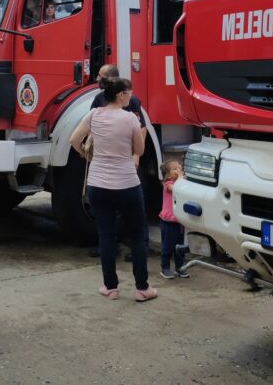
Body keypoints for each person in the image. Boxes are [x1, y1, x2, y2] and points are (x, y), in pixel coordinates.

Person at [71, 77, 156, 302]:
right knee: (137, 235)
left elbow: (74, 139)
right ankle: (142, 288)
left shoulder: (94, 114)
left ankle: (110, 287)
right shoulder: (129, 119)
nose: (131, 96)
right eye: (129, 93)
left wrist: (85, 153)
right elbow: (139, 148)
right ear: (121, 95)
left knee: (106, 235)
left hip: (97, 184)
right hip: (126, 184)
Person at [159, 159, 189, 279]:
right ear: (167, 174)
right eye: (174, 169)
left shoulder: (181, 182)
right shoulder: (168, 184)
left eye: (179, 168)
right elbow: (175, 189)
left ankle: (180, 267)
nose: (178, 170)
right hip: (169, 222)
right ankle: (165, 267)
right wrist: (181, 178)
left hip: (179, 221)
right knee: (168, 246)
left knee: (179, 246)